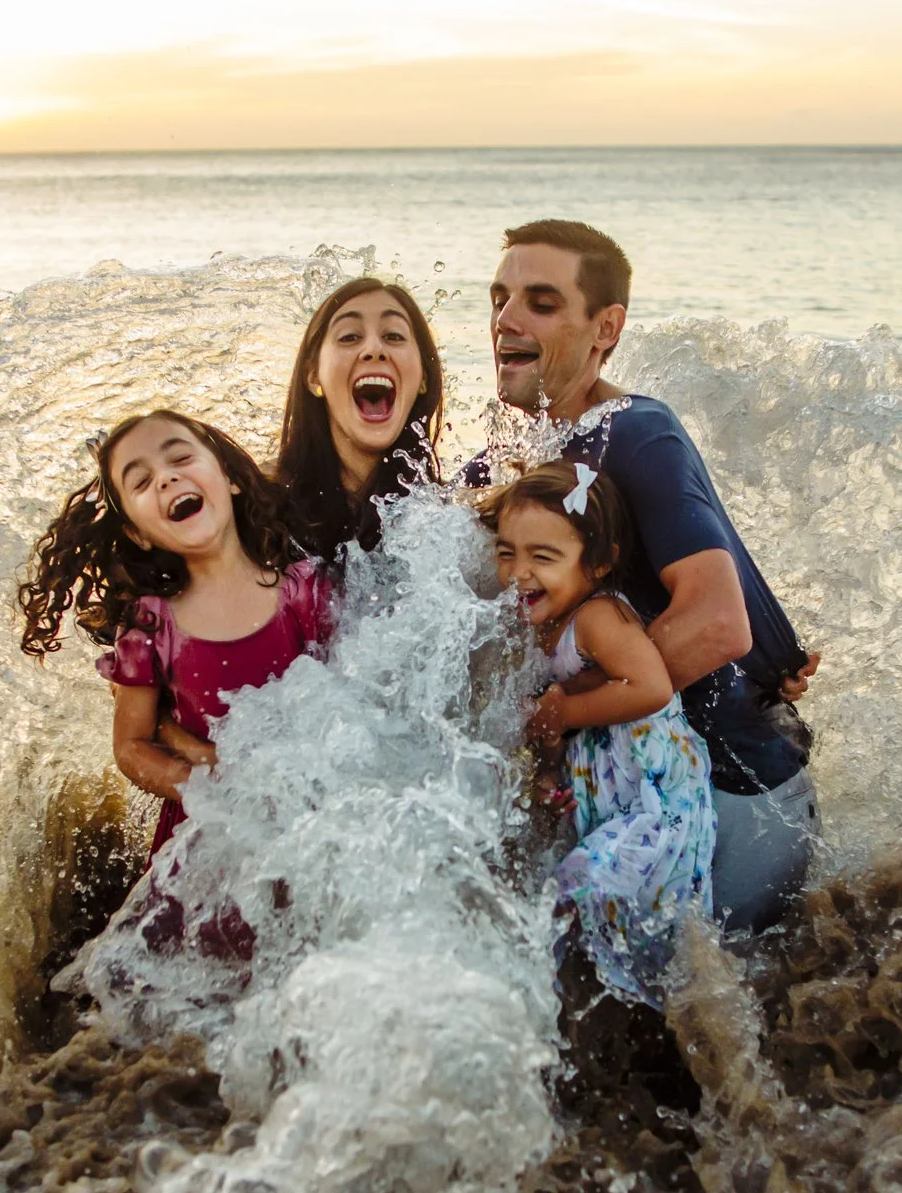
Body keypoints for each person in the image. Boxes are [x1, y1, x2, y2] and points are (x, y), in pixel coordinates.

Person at [481, 219, 822, 933]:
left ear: (606, 327)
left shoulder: (634, 430)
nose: (505, 319)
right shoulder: (533, 454)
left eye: (541, 302)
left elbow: (718, 623)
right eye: (499, 297)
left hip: (736, 796)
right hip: (653, 790)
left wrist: (560, 712)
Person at [17, 410, 336, 859]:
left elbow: (349, 698)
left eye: (180, 458)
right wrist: (204, 791)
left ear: (230, 479)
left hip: (309, 816)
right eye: (141, 482)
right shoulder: (150, 624)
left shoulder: (303, 591)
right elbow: (131, 745)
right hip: (205, 838)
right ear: (137, 533)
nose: (166, 479)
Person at [487, 460, 717, 1007]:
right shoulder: (542, 628)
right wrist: (549, 768)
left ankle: (533, 1013)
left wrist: (564, 714)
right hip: (615, 804)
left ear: (598, 563)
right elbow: (559, 727)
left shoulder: (598, 616)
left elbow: (651, 687)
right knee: (618, 943)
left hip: (659, 805)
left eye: (543, 557)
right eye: (506, 552)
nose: (518, 573)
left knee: (572, 895)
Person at [273, 277, 446, 556]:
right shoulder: (264, 510)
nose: (374, 349)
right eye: (349, 337)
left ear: (423, 376)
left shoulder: (449, 520)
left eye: (393, 336)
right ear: (313, 375)